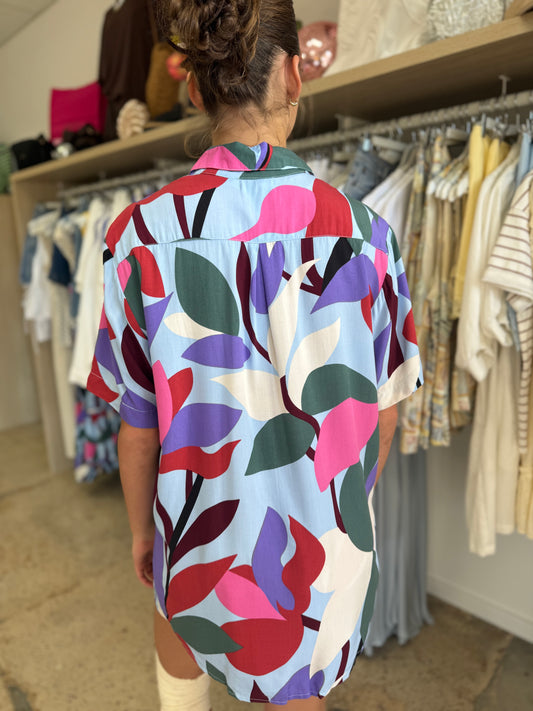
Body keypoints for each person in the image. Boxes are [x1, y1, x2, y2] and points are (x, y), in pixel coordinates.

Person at [87, 0, 422, 708]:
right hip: (318, 553)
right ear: (294, 76)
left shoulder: (136, 237)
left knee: (178, 637)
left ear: (193, 89)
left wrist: (143, 532)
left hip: (195, 535)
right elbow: (383, 417)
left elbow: (139, 428)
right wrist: (341, 514)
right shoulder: (367, 236)